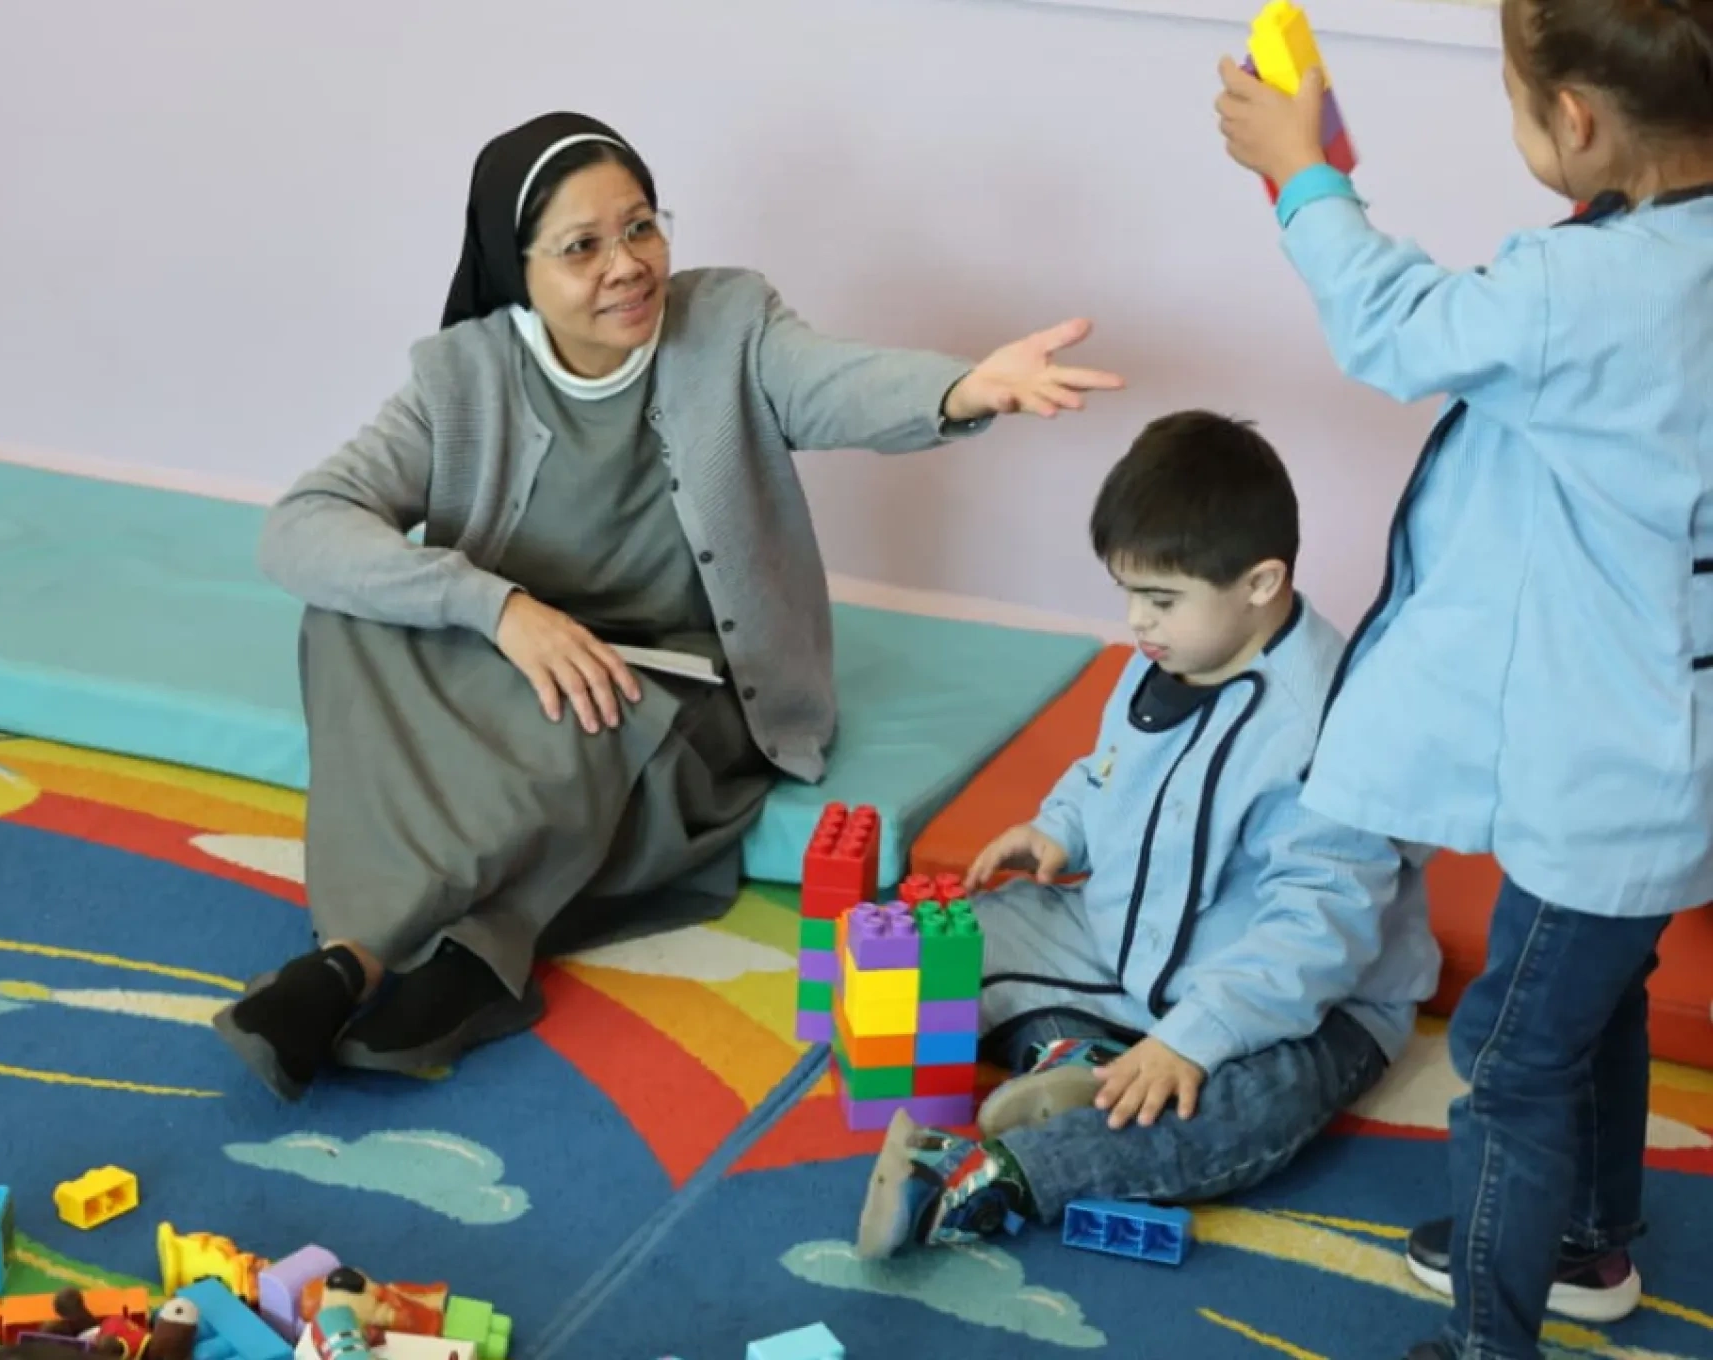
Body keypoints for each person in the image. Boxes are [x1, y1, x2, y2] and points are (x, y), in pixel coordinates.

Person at [212, 111, 1126, 1101]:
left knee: (582, 710)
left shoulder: (730, 325)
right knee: (348, 614)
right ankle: (467, 966)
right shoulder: (461, 379)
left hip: (677, 712)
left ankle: (350, 960)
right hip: (521, 673)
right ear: (514, 267)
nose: (627, 264)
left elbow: (834, 382)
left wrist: (963, 389)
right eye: (582, 246)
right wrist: (501, 609)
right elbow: (301, 525)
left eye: (641, 226)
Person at [1215, 0, 1713, 1352]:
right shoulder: (1664, 256)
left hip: (1606, 776)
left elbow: (1393, 327)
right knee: (1590, 1006)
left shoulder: (1583, 291)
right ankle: (1587, 1243)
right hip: (1666, 756)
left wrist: (1304, 173)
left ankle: (1489, 1341)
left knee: (1504, 1063)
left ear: (1573, 120)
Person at [853, 410, 1440, 1259]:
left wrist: (1194, 1042)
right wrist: (1058, 830)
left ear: (1262, 583)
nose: (1137, 621)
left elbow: (1318, 932)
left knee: (1252, 1106)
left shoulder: (1338, 726)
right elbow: (1107, 771)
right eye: (1128, 593)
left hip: (1299, 1000)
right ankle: (1072, 1051)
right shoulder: (1163, 656)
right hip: (1126, 938)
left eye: (1160, 599)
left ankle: (996, 1171)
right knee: (942, 953)